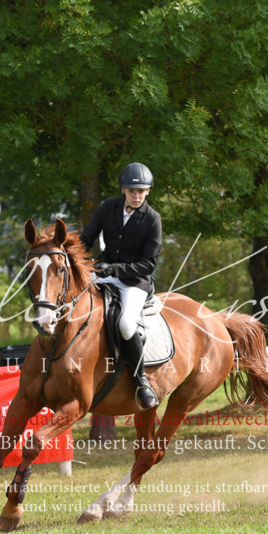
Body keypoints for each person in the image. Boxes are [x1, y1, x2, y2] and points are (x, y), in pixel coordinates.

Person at [81, 162, 162, 409]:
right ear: (123, 190)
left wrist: (114, 269)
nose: (136, 195)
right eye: (131, 191)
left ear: (147, 191)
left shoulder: (152, 219)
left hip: (134, 282)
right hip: (103, 272)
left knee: (126, 323)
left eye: (141, 191)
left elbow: (148, 264)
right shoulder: (108, 208)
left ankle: (142, 382)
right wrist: (75, 262)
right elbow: (86, 240)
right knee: (72, 302)